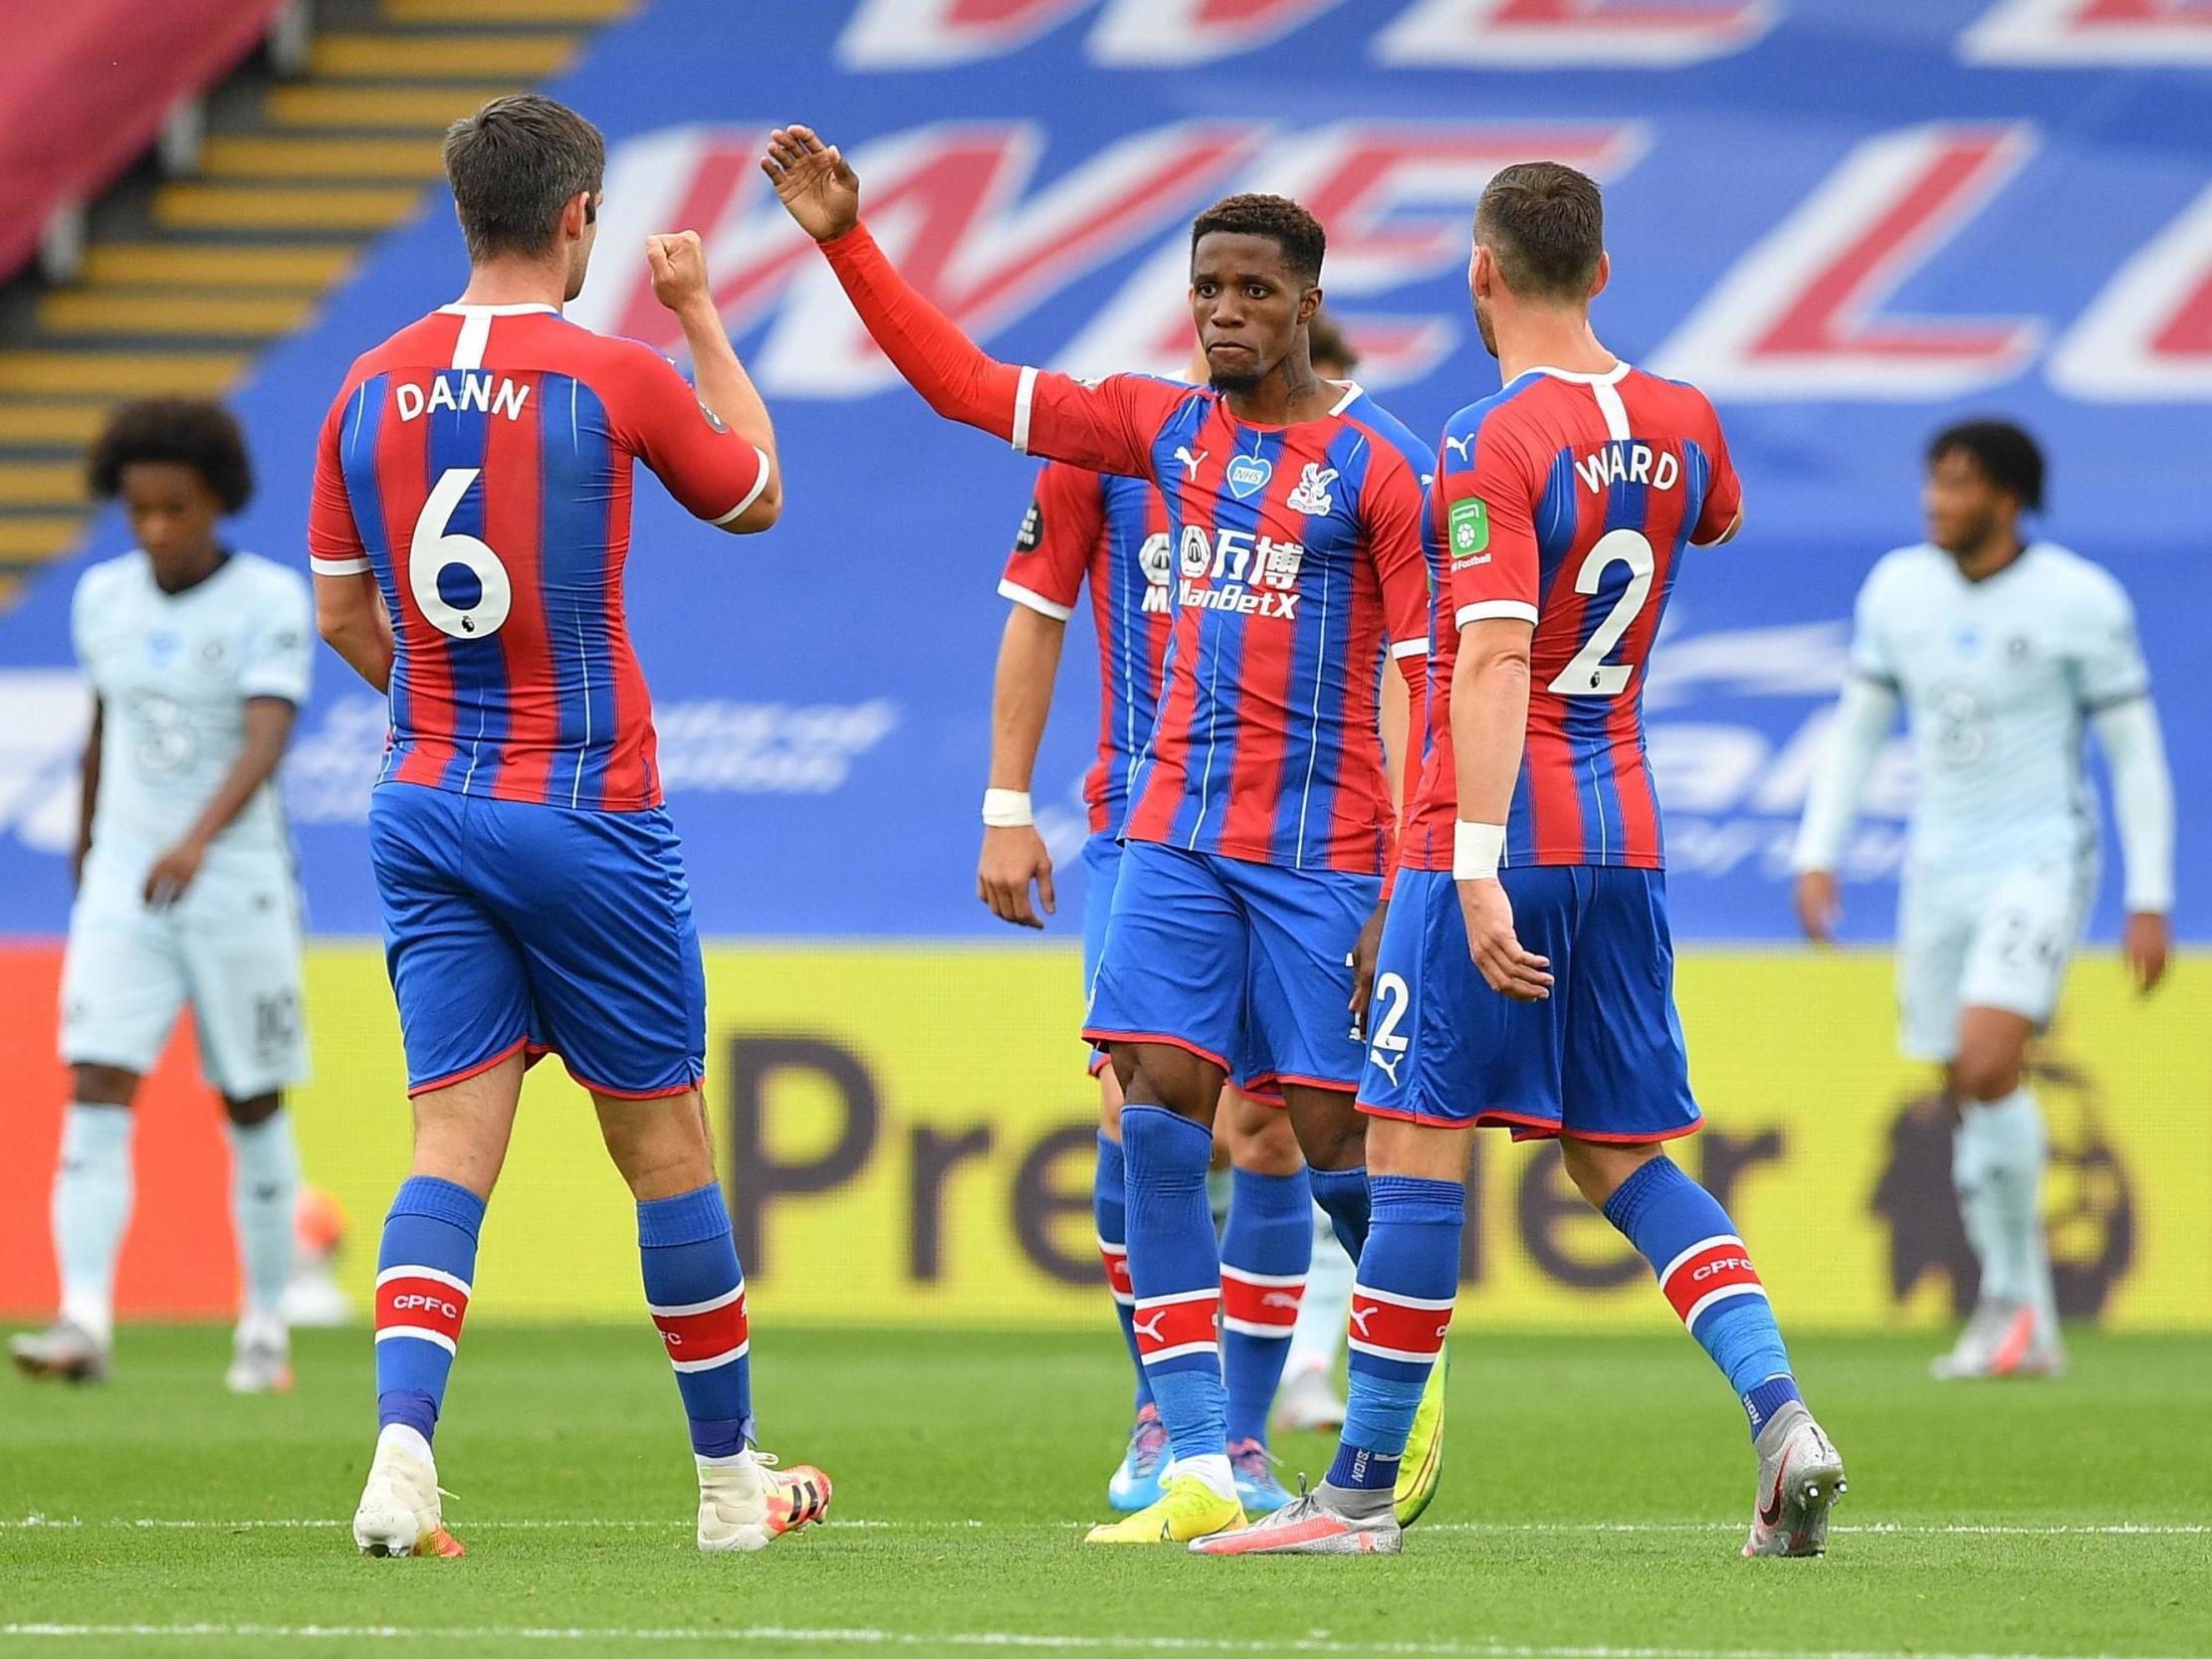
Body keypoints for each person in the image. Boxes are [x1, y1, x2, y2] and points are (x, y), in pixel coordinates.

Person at [764, 124, 1439, 1546]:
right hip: (1170, 835)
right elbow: (959, 386)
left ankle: (1403, 1364)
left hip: (1321, 851)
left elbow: (1424, 679)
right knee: (1149, 1105)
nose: (1223, 312)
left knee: (1317, 1134)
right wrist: (844, 240)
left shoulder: (1377, 469)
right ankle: (1198, 1448)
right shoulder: (1147, 423)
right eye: (1206, 288)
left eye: (1251, 291)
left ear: (1307, 300)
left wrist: (1400, 875)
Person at [1199, 161, 1846, 1559]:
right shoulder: (1681, 416)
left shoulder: (1482, 439)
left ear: (1478, 274)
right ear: (1600, 273)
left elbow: (1489, 656)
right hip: (1624, 826)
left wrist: (1474, 863)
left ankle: (1357, 1491)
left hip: (1489, 828)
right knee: (1619, 1154)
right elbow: (1711, 516)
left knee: (1412, 1143)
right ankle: (1782, 1414)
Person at [309, 94, 829, 1558]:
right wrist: (704, 314)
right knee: (664, 1140)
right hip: (585, 804)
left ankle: (401, 1458)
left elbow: (343, 606)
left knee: (449, 1139)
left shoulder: (366, 384)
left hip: (421, 802)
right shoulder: (610, 374)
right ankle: (733, 1488)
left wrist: (442, 714)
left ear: (462, 209)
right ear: (579, 218)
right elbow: (758, 494)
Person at [978, 321, 1370, 1514]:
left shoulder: (1348, 471)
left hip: (1296, 843)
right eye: (1214, 297)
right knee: (1132, 1111)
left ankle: (1236, 1440)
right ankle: (1167, 1405)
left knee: (1267, 1132)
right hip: (1146, 830)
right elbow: (1036, 609)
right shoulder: (1116, 444)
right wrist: (1004, 801)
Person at [1792, 420, 2172, 1379]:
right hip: (1942, 865)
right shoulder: (1898, 590)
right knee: (1959, 1081)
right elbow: (1858, 730)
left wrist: (2151, 890)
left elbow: (2133, 755)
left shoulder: (2081, 600)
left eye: (1956, 484)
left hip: (2042, 856)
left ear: (2005, 498)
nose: (1935, 500)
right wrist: (1818, 850)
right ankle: (2017, 1310)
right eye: (1932, 480)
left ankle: (2019, 1310)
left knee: (1991, 1057)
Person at [10, 399, 311, 1396]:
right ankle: (83, 1318)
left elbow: (267, 736)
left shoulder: (268, 598)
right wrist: (94, 841)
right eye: (138, 511)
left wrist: (192, 836)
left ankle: (265, 1323)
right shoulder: (103, 597)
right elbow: (104, 724)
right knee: (96, 1082)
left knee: (251, 1100)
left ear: (215, 499)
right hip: (128, 885)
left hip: (236, 886)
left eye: (174, 509)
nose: (155, 531)